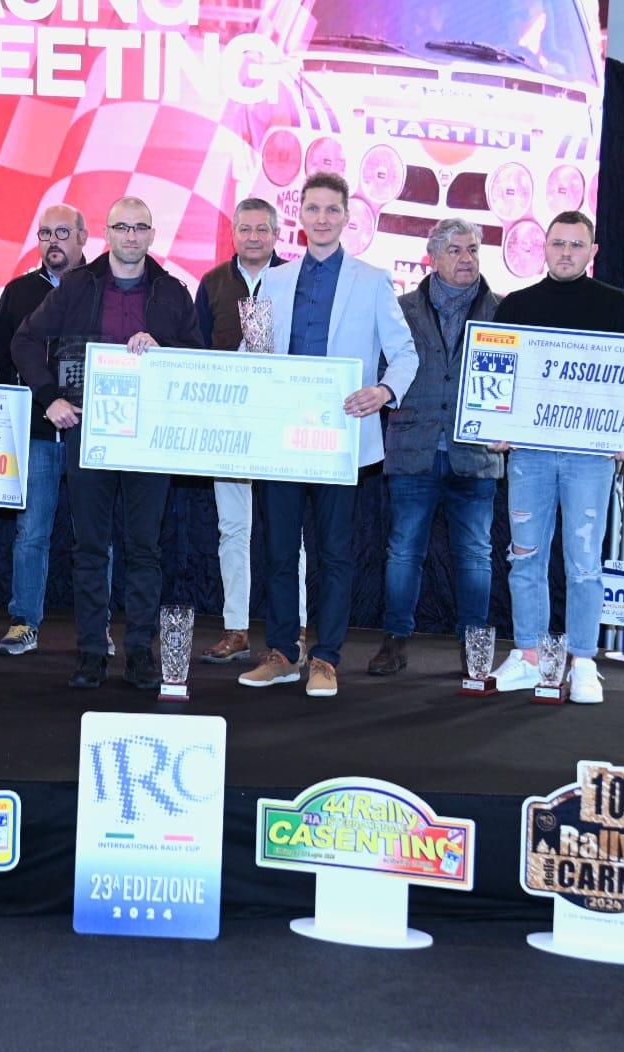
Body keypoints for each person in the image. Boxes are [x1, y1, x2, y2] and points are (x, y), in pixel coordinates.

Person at [237, 171, 417, 698]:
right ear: (300, 215)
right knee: (277, 551)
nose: (321, 218)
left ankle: (326, 659)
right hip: (281, 439)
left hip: (341, 439)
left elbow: (405, 354)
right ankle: (282, 653)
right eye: (312, 209)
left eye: (331, 209)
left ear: (346, 217)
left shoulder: (373, 280)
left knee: (335, 554)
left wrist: (383, 391)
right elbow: (253, 353)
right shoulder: (272, 280)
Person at [10, 196, 201, 689]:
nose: (131, 236)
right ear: (107, 233)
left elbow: (199, 357)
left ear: (152, 234)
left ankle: (139, 653)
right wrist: (49, 397)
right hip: (89, 434)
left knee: (144, 550)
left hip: (149, 439)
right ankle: (92, 652)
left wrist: (164, 349)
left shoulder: (172, 292)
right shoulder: (77, 286)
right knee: (90, 549)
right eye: (122, 227)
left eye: (140, 227)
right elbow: (24, 340)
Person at [487, 210, 624, 704]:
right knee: (524, 557)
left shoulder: (617, 305)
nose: (566, 252)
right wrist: (494, 427)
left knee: (585, 563)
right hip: (530, 455)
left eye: (577, 245)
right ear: (544, 247)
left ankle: (583, 662)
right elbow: (500, 377)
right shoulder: (516, 305)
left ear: (592, 252)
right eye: (558, 243)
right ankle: (529, 655)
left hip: (590, 456)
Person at [368, 218, 502, 675]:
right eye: (455, 250)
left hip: (478, 452)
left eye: (473, 250)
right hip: (413, 446)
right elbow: (381, 371)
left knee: (476, 554)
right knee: (404, 551)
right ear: (433, 258)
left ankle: (474, 647)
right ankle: (394, 640)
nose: (466, 259)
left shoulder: (503, 311)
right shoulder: (400, 309)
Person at [192, 198, 306, 665]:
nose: (254, 237)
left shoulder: (297, 279)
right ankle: (235, 628)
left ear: (277, 234)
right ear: (233, 234)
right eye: (245, 229)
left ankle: (296, 630)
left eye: (263, 229)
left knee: (291, 535)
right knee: (232, 529)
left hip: (282, 422)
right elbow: (197, 351)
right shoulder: (213, 282)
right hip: (230, 424)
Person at [0, 203, 90, 656]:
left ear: (83, 237)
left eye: (63, 232)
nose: (53, 242)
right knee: (31, 533)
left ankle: (96, 629)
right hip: (36, 431)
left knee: (96, 538)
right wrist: (44, 400)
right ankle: (23, 623)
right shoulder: (18, 292)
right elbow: (2, 358)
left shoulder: (103, 288)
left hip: (92, 436)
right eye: (45, 233)